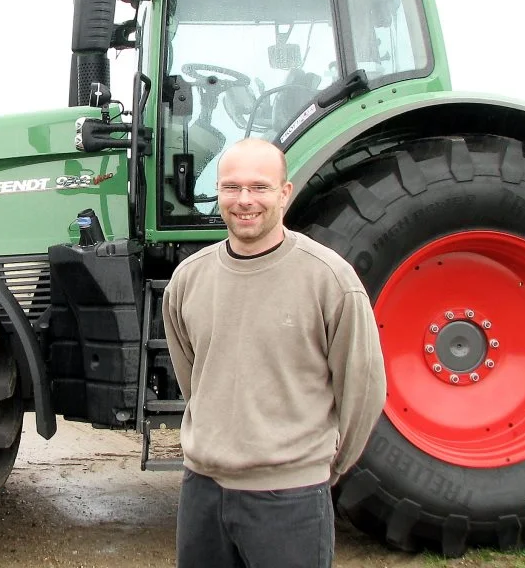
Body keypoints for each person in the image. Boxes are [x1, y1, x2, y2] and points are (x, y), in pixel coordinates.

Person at [162, 137, 387, 568]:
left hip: (291, 499)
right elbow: (195, 379)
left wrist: (320, 469)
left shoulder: (329, 280)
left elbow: (363, 391)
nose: (245, 201)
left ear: (285, 192)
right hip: (203, 493)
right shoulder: (188, 280)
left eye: (260, 187)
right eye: (231, 188)